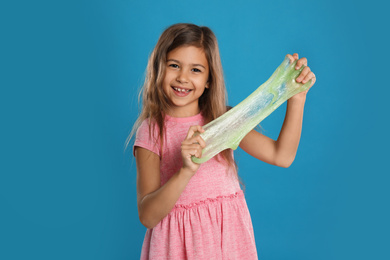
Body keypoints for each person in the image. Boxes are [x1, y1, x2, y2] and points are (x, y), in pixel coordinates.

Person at [127, 23, 316, 259]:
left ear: (209, 80)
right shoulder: (152, 130)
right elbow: (147, 216)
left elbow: (282, 156)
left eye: (195, 70)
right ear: (158, 69)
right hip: (177, 247)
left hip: (227, 242)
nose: (183, 77)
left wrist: (296, 99)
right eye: (174, 65)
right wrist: (185, 171)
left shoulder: (224, 120)